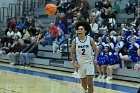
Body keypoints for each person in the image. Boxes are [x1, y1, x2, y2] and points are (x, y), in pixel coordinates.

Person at [71, 21, 98, 93]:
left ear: (85, 31)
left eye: (81, 29)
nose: (79, 30)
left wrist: (95, 58)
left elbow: (96, 49)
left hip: (89, 62)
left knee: (90, 83)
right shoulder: (75, 41)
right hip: (80, 64)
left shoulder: (90, 39)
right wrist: (74, 62)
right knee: (83, 83)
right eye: (78, 29)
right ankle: (86, 91)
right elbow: (72, 52)